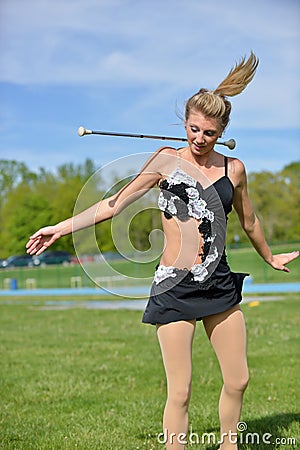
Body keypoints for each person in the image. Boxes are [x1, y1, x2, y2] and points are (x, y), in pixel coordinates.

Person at [26, 52, 298, 450]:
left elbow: (250, 221)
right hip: (174, 287)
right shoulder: (166, 161)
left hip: (218, 282)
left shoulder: (233, 169)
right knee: (181, 391)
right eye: (193, 129)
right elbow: (113, 204)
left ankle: (229, 445)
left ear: (222, 132)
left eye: (209, 133)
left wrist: (270, 257)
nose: (199, 139)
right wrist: (59, 228)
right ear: (184, 123)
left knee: (239, 379)